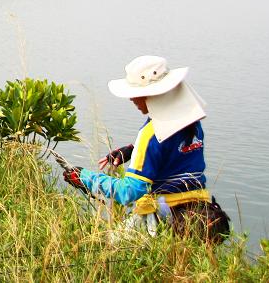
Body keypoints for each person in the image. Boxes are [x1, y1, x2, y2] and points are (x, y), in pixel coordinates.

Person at [62, 55, 230, 243]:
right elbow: (173, 153)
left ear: (155, 94)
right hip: (198, 211)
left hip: (164, 219)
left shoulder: (150, 133)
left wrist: (85, 178)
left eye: (136, 93)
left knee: (104, 248)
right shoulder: (192, 122)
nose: (132, 99)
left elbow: (129, 192)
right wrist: (132, 151)